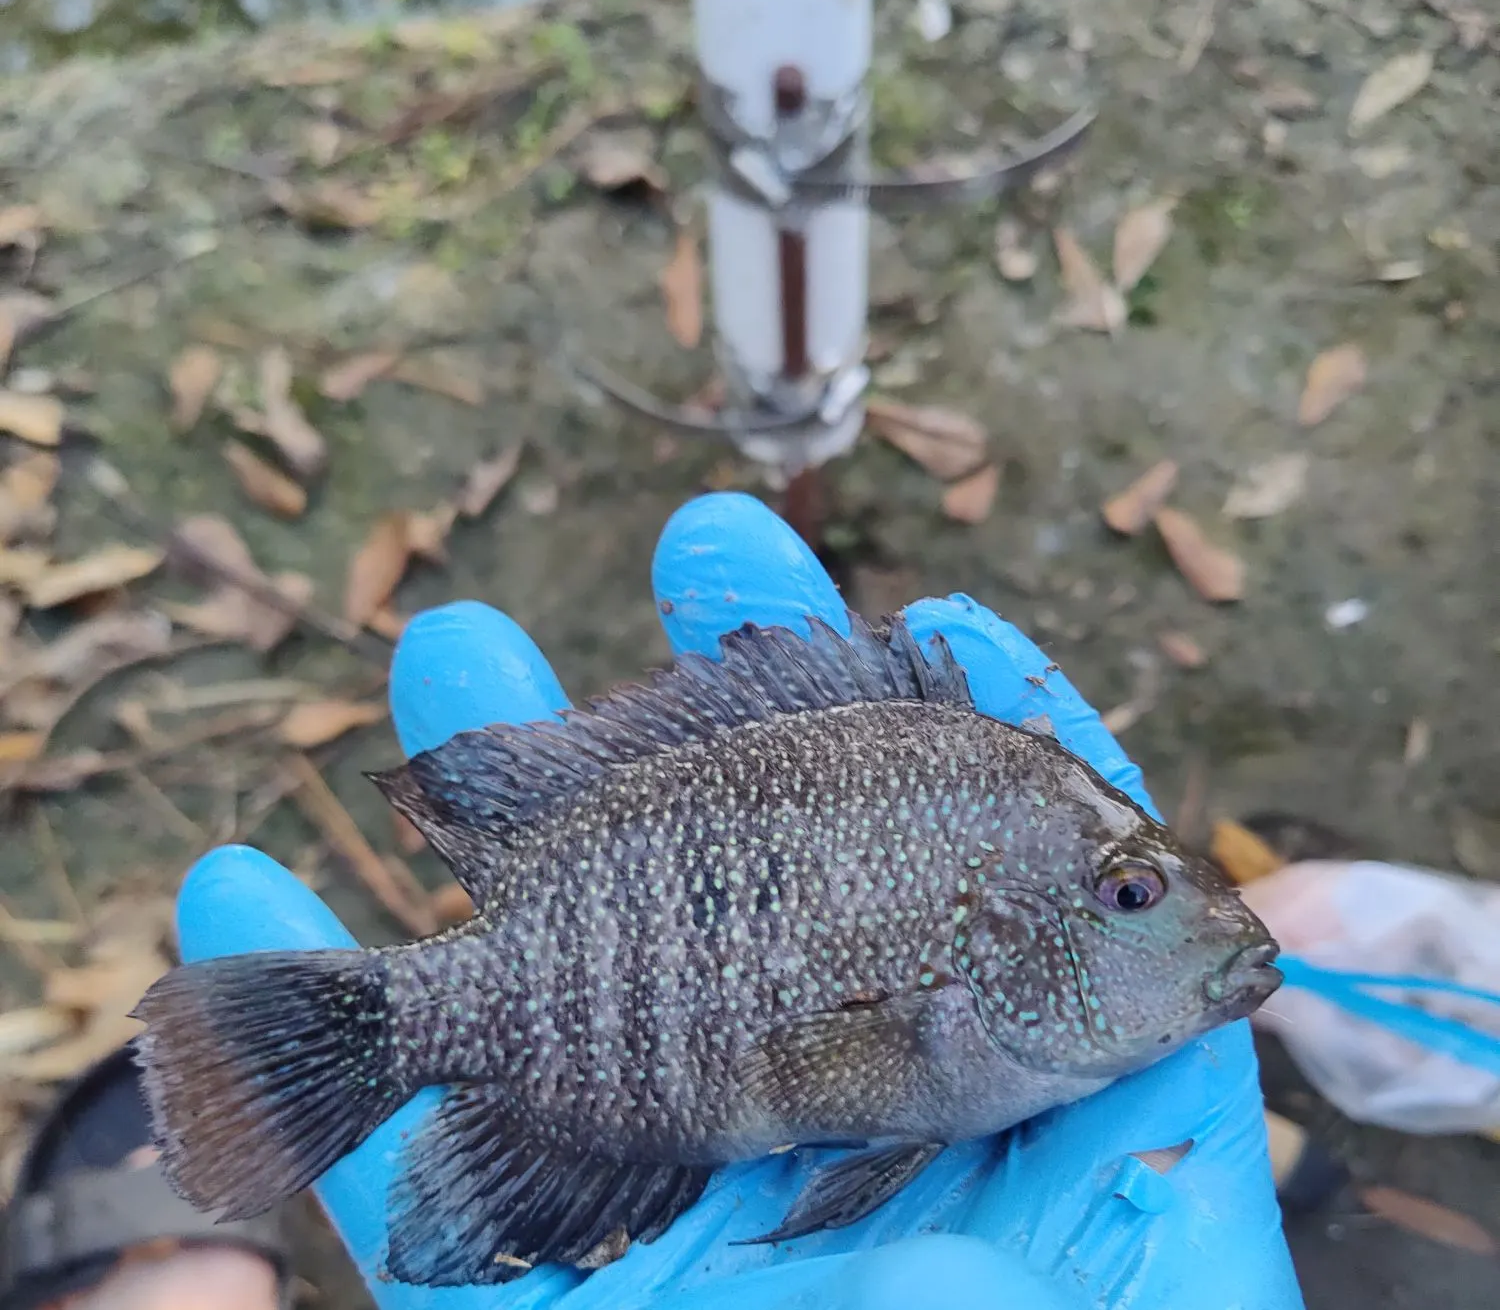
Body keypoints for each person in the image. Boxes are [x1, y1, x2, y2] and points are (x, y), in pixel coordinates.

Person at [0, 493, 1304, 1310]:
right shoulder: (993, 871)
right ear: (998, 937)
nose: (1194, 921)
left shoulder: (1014, 893)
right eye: (1130, 892)